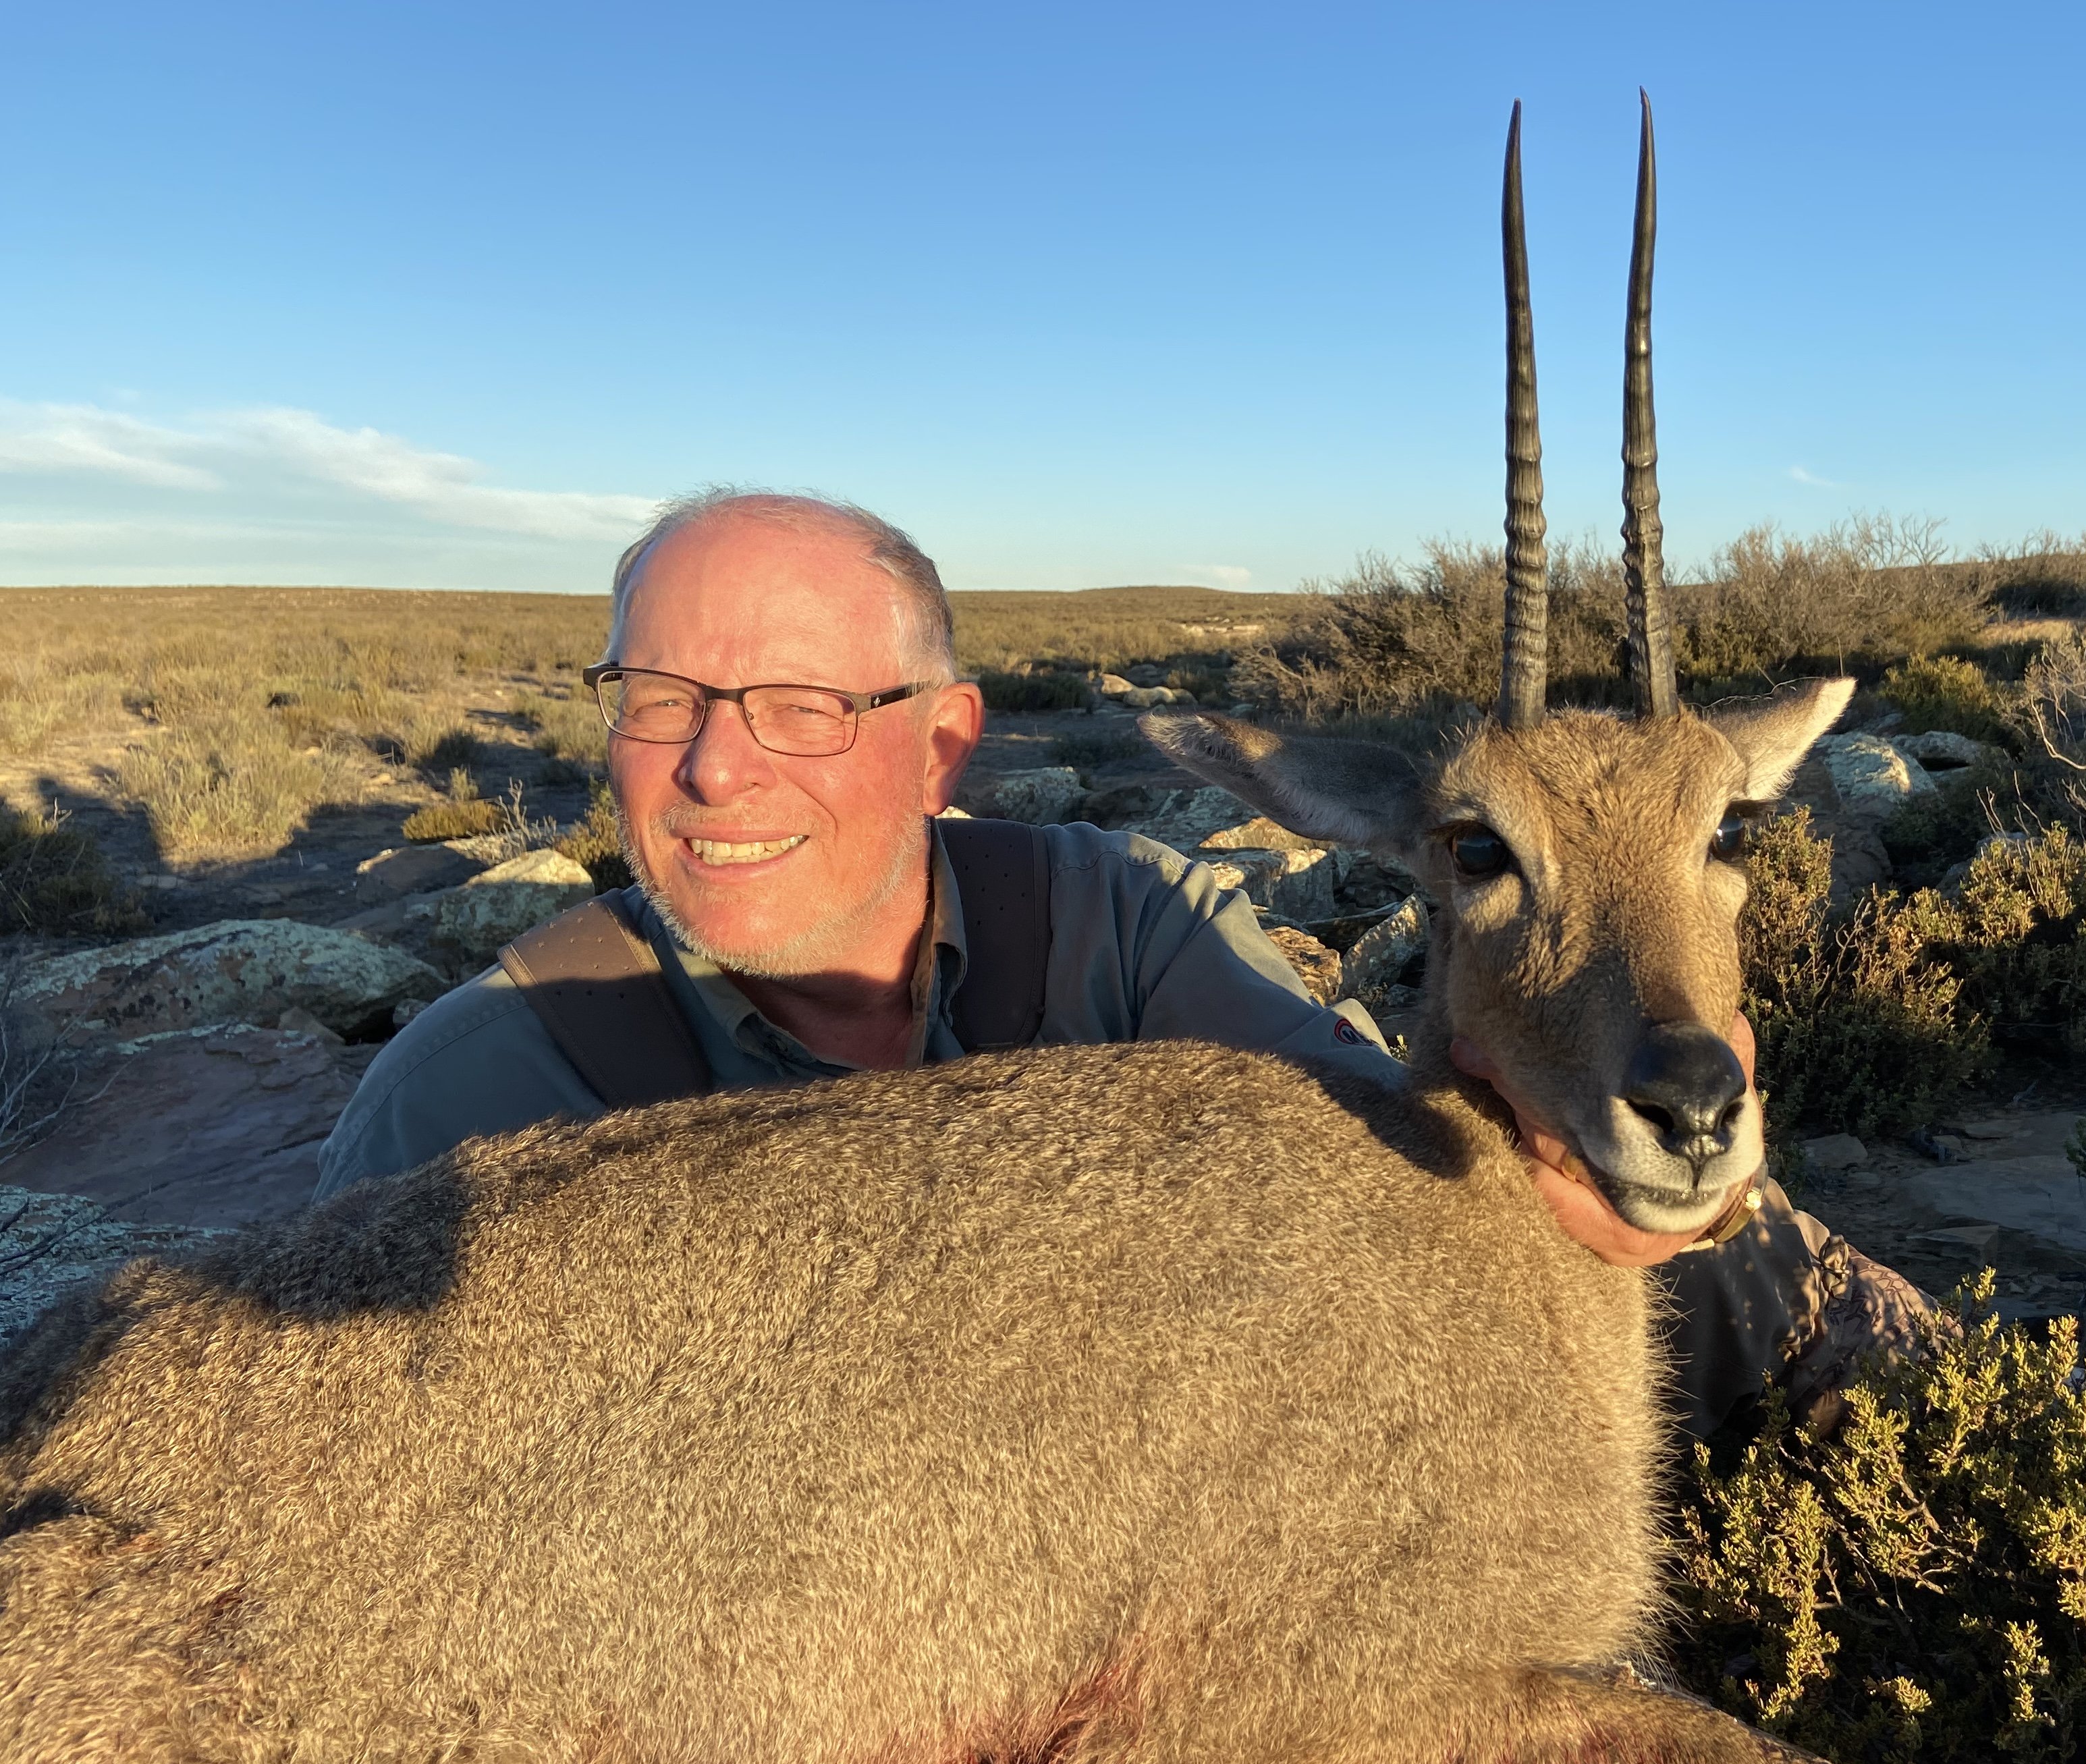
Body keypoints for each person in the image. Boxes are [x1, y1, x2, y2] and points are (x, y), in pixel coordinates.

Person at [315, 489, 1919, 1432]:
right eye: (661, 698)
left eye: (804, 707)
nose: (718, 772)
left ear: (946, 744)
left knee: (1745, 1268)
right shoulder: (475, 1091)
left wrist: (1538, 1137)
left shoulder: (1126, 928)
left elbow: (1385, 1165)